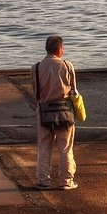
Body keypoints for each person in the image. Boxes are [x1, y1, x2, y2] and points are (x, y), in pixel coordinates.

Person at [31, 35, 78, 190]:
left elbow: (36, 92)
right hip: (64, 111)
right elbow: (73, 91)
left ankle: (43, 180)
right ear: (59, 49)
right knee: (65, 148)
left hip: (44, 110)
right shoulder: (67, 65)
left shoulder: (36, 68)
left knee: (44, 147)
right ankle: (66, 181)